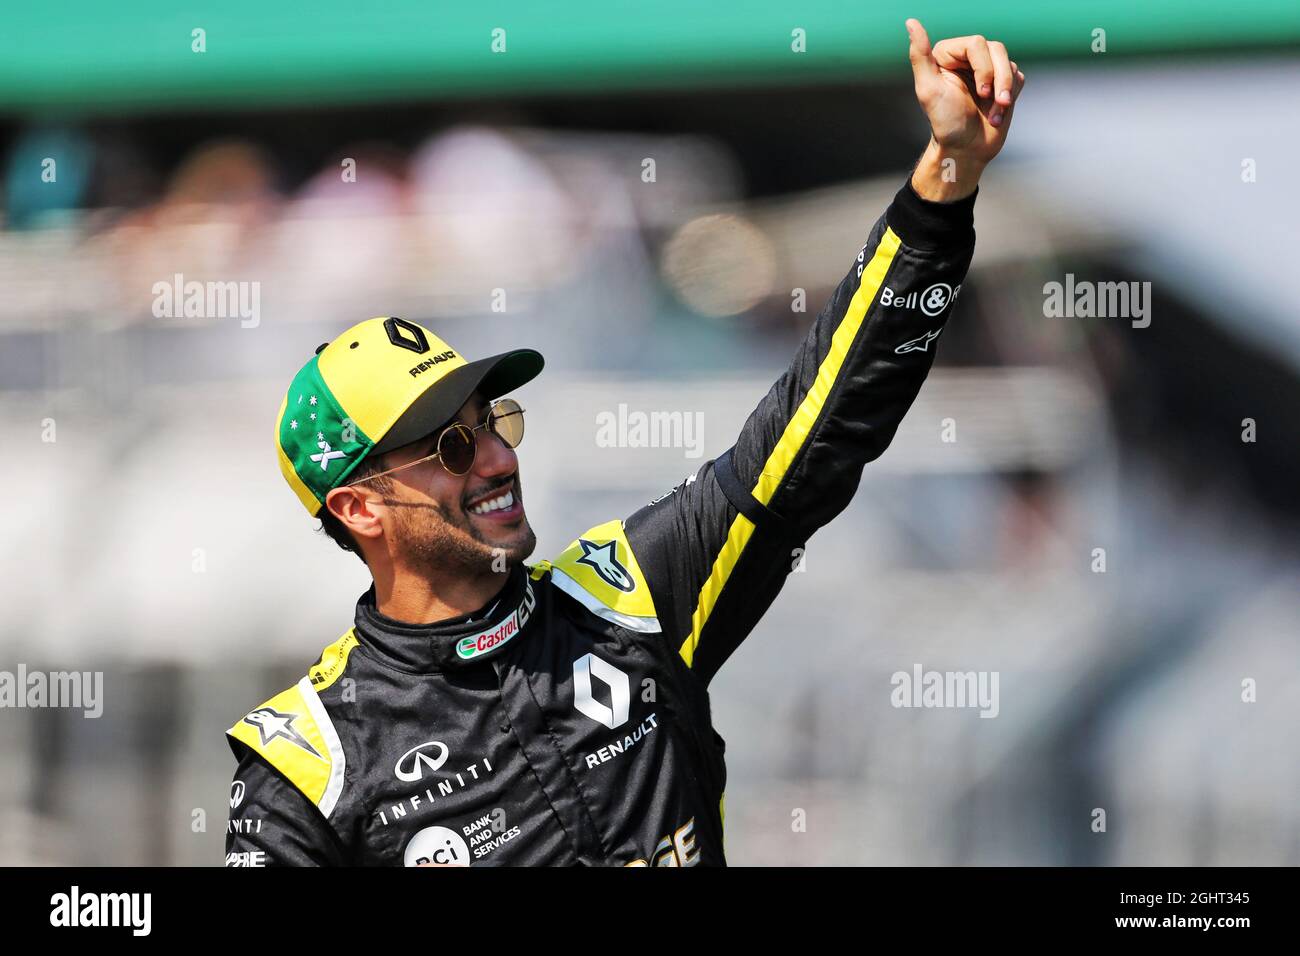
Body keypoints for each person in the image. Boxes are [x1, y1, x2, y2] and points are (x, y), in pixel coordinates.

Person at [224, 19, 1024, 867]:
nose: (497, 461)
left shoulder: (630, 600)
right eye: (453, 451)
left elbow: (819, 425)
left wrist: (947, 178)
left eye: (493, 425)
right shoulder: (308, 766)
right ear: (358, 507)